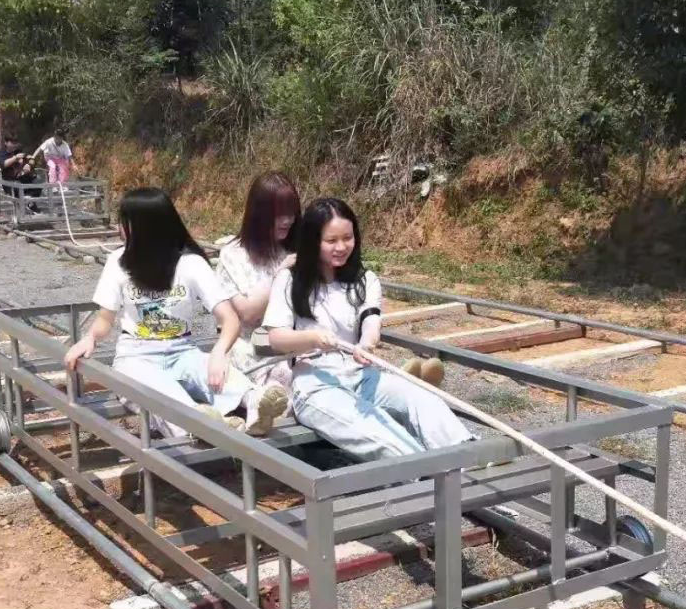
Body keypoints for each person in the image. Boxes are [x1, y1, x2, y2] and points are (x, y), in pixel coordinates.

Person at [63, 187, 287, 440]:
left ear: (144, 227)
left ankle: (255, 403)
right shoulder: (118, 261)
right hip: (136, 355)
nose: (119, 229)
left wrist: (218, 353)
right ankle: (198, 425)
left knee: (210, 369)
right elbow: (105, 319)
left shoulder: (190, 264)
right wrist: (90, 338)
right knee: (159, 391)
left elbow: (230, 319)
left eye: (124, 222)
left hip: (182, 349)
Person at [264, 197, 472, 462]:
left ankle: (472, 457)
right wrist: (312, 338)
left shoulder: (365, 280)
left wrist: (366, 345)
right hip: (315, 384)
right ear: (312, 241)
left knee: (421, 398)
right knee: (381, 435)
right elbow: (276, 338)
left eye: (347, 238)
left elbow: (371, 322)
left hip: (362, 375)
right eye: (331, 241)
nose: (342, 247)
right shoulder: (290, 280)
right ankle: (429, 475)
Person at [215, 171, 301, 398]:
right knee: (282, 375)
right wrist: (279, 273)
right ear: (259, 214)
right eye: (279, 214)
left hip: (294, 340)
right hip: (251, 344)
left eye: (291, 212)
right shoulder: (233, 256)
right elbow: (248, 314)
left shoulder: (294, 248)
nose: (287, 220)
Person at [0, 133, 39, 212]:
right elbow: (3, 164)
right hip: (9, 181)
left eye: (15, 142)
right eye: (12, 142)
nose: (14, 145)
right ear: (6, 143)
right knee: (17, 185)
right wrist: (15, 158)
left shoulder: (19, 150)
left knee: (37, 180)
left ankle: (31, 202)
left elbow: (31, 158)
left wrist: (29, 165)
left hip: (22, 178)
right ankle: (22, 206)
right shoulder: (2, 153)